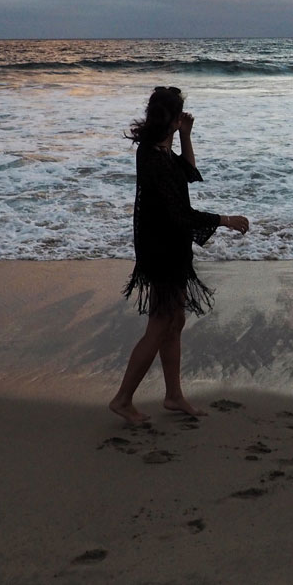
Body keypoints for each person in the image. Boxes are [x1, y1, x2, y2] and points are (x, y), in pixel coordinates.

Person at [109, 86, 249, 424]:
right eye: (179, 117)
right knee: (160, 325)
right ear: (170, 119)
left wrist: (185, 135)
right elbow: (179, 214)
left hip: (167, 244)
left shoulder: (156, 150)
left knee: (175, 321)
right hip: (162, 248)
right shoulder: (154, 158)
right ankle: (123, 399)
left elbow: (188, 173)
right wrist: (225, 220)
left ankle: (173, 396)